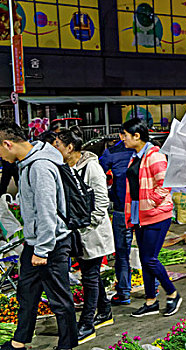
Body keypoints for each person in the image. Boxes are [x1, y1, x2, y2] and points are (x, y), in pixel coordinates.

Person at [0, 120, 77, 350]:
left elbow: (47, 212)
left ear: (7, 143)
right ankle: (19, 342)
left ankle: (66, 346)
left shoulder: (40, 167)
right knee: (27, 292)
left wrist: (42, 249)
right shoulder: (27, 163)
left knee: (59, 300)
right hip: (36, 242)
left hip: (51, 243)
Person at [55, 129, 115, 344]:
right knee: (91, 275)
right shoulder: (66, 168)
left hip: (92, 233)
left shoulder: (92, 168)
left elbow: (100, 206)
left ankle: (87, 324)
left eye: (57, 145)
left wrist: (83, 227)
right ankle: (105, 310)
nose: (54, 149)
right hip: (77, 234)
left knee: (89, 278)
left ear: (69, 148)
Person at [122, 118, 181, 317]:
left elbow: (165, 183)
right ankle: (151, 301)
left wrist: (152, 202)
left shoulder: (154, 156)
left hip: (156, 215)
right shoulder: (136, 156)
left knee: (150, 259)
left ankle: (172, 293)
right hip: (141, 215)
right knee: (144, 259)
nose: (123, 139)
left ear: (137, 136)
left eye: (125, 135)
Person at [99, 132, 135, 305]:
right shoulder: (148, 150)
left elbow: (98, 174)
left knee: (124, 253)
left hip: (131, 209)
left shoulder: (113, 152)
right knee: (128, 253)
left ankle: (125, 292)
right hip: (131, 209)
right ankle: (127, 291)